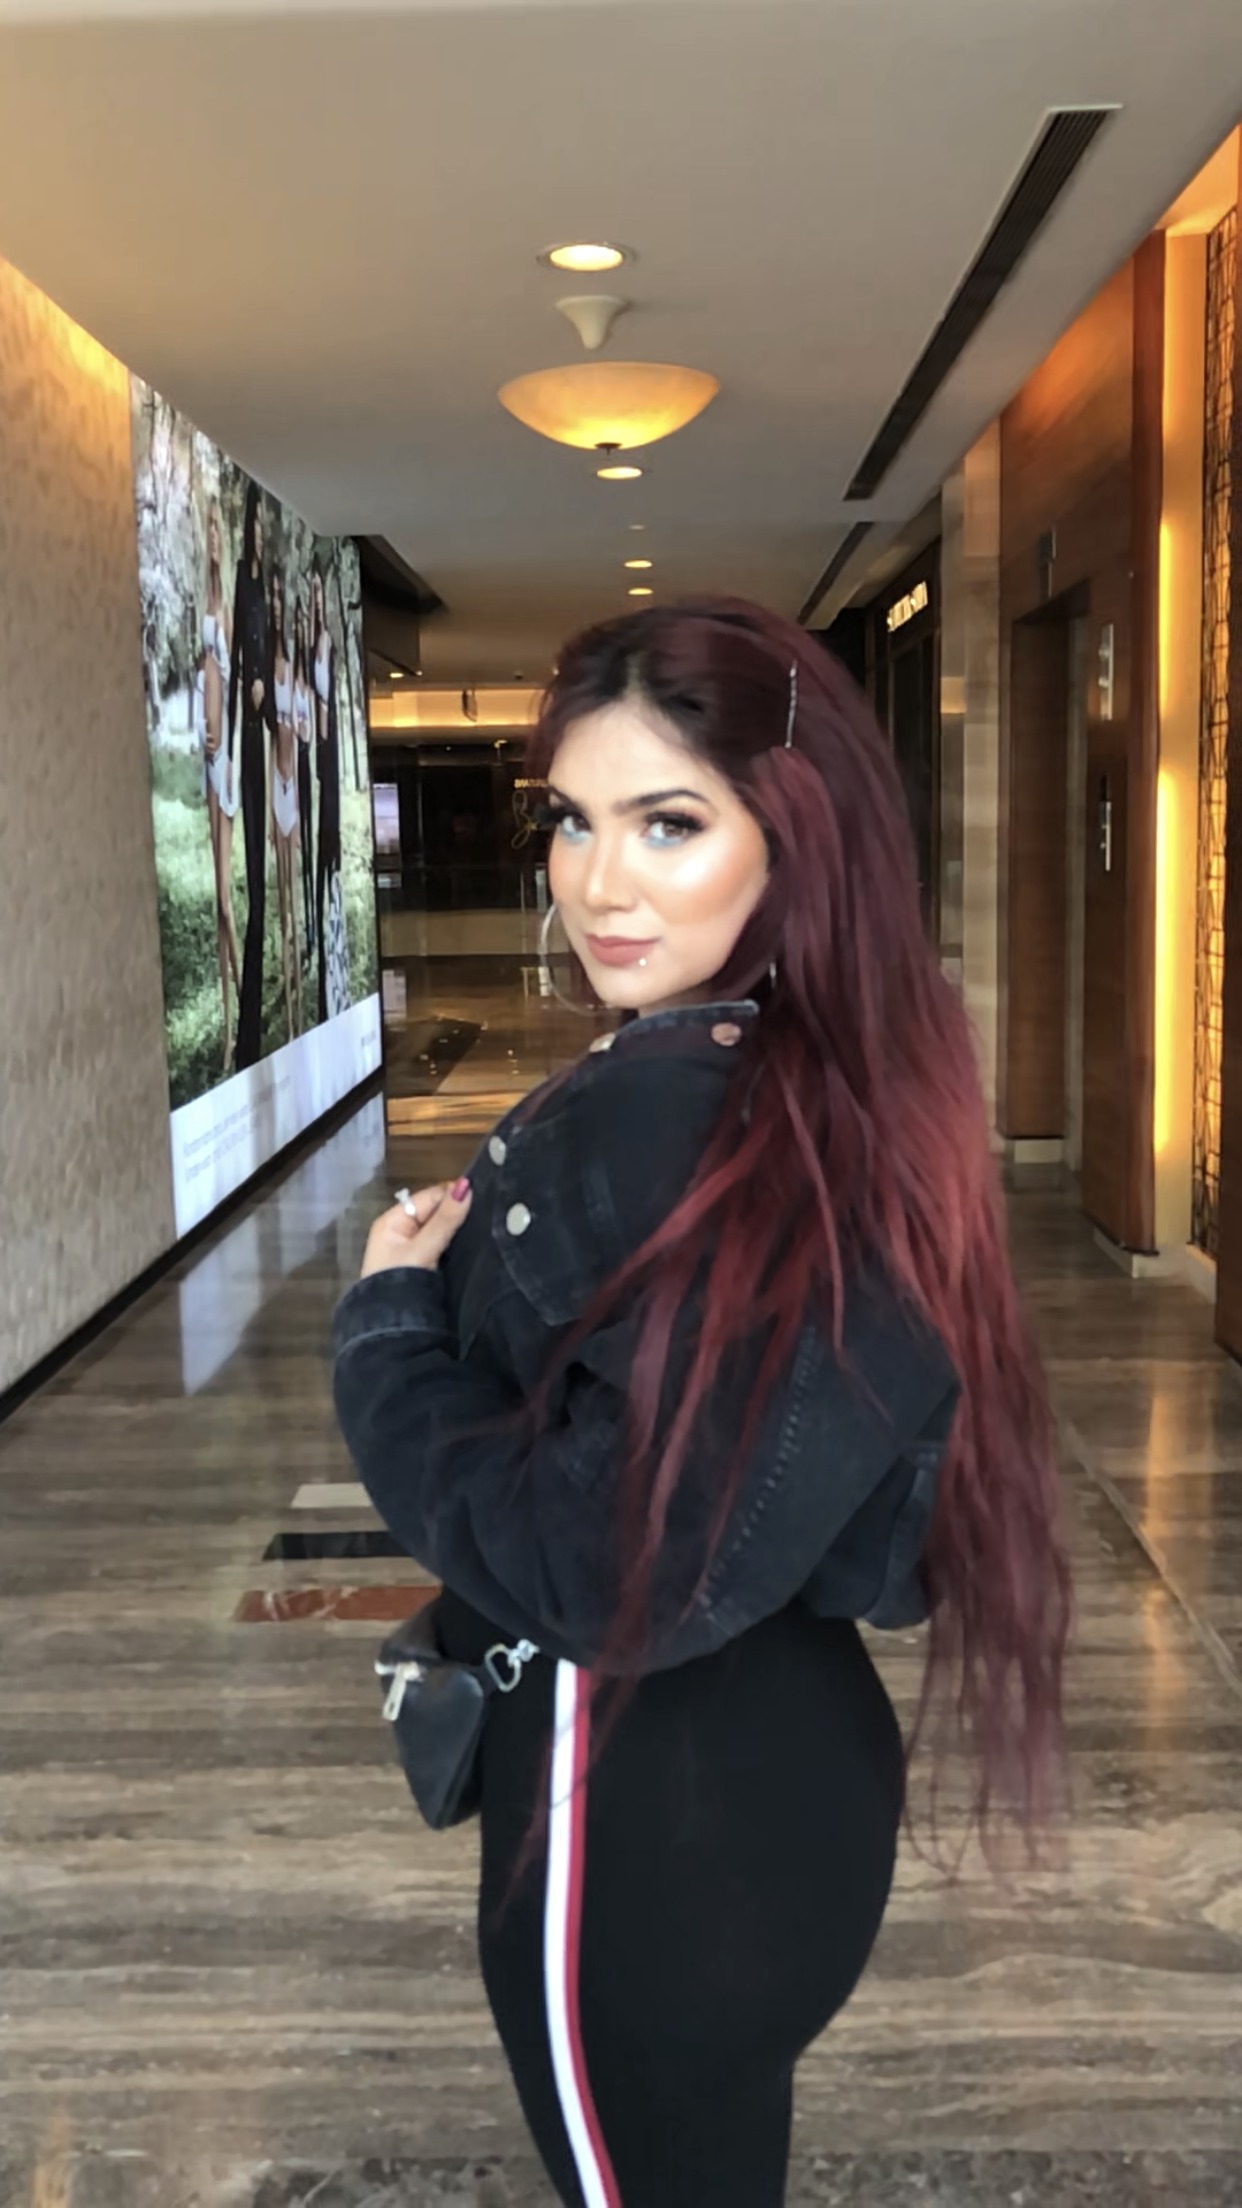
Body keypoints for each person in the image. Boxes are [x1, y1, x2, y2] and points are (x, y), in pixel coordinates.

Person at [332, 600, 1070, 2208]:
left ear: (793, 839)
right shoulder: (845, 1084)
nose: (598, 883)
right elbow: (863, 1539)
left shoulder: (672, 1121)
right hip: (787, 1783)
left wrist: (387, 1335)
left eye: (668, 823)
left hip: (637, 1831)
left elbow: (607, 1572)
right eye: (571, 822)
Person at [228, 481, 276, 1070]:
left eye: (265, 527)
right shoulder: (244, 579)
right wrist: (248, 692)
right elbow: (242, 651)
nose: (260, 535)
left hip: (267, 724)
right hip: (247, 724)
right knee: (255, 871)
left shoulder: (265, 586)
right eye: (255, 526)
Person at [196, 496, 241, 1075]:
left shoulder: (224, 612)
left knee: (227, 900)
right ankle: (228, 1022)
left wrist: (225, 751)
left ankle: (233, 1028)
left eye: (215, 532)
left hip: (224, 760)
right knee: (214, 899)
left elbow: (227, 692)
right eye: (206, 530)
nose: (211, 541)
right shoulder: (199, 609)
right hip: (206, 757)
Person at [268, 567, 303, 1039]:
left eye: (281, 598)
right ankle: (285, 978)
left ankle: (296, 1001)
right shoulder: (265, 667)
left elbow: (303, 728)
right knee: (280, 892)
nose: (277, 606)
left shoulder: (294, 676)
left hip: (292, 783)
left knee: (292, 888)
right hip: (274, 781)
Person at [310, 560, 345, 1022]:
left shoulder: (326, 647)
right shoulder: (305, 647)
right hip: (311, 759)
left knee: (330, 849)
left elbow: (326, 705)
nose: (316, 601)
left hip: (327, 759)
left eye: (320, 594)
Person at [292, 594, 316, 967]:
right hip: (286, 771)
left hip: (302, 768)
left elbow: (308, 732)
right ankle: (297, 931)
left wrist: (299, 729)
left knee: (306, 847)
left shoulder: (307, 688)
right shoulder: (286, 678)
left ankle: (310, 925)